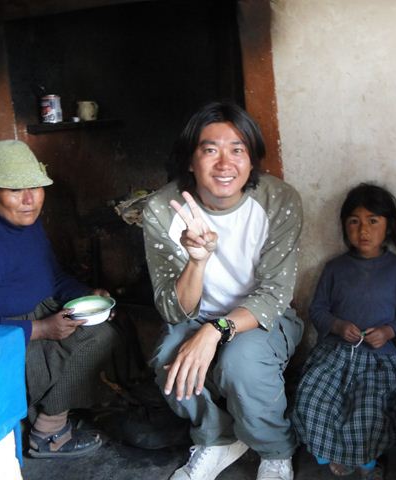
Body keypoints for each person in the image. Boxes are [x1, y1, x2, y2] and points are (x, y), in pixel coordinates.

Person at [143, 101, 304, 480]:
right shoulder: (161, 210)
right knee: (170, 358)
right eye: (210, 149)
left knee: (241, 364)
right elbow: (172, 310)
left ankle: (274, 448)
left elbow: (275, 294)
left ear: (251, 160)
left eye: (237, 150)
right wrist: (197, 261)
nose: (224, 163)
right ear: (190, 160)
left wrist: (214, 332)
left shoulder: (279, 201)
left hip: (263, 317)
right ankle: (216, 438)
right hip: (195, 314)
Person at [0, 140, 119, 458]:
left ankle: (43, 415)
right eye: (15, 190)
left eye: (35, 186)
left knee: (106, 331)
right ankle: (48, 432)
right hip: (6, 340)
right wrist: (41, 329)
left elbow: (53, 277)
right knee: (98, 340)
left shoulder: (26, 225)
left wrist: (85, 295)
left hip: (39, 317)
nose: (29, 199)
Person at [291, 184, 396, 479]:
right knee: (312, 396)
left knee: (366, 409)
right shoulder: (335, 268)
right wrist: (338, 325)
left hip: (378, 360)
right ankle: (334, 453)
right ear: (345, 226)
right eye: (354, 221)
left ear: (389, 226)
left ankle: (367, 462)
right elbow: (317, 310)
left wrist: (389, 331)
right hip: (335, 355)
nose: (363, 230)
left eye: (373, 221)